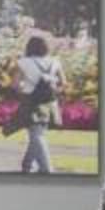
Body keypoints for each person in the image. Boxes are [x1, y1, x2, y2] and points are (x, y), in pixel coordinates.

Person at [5, 34, 62, 174]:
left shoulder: (23, 62)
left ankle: (46, 168)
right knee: (38, 133)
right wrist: (51, 89)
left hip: (31, 101)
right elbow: (63, 83)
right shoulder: (55, 62)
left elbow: (15, 84)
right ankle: (27, 165)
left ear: (29, 47)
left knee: (36, 135)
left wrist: (24, 89)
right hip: (50, 102)